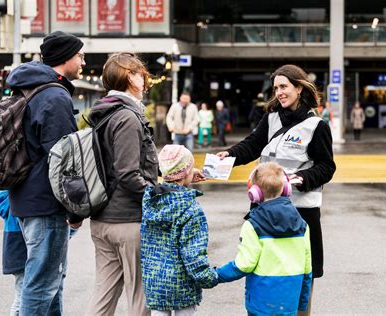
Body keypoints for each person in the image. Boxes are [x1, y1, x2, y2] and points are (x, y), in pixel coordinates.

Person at [216, 64, 336, 315]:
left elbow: (327, 167)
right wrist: (228, 156)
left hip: (300, 213)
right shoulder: (270, 118)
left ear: (299, 87)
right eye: (276, 88)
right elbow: (251, 146)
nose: (279, 92)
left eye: (284, 87)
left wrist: (300, 178)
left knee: (300, 278)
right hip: (265, 210)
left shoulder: (316, 126)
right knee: (264, 272)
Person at [6, 31, 85, 315]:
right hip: (46, 202)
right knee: (42, 284)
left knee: (50, 282)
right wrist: (76, 209)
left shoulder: (30, 88)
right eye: (80, 56)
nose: (83, 62)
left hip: (27, 198)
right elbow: (64, 160)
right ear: (66, 58)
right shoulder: (53, 95)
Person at [85, 52, 159, 316]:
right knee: (140, 294)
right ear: (130, 76)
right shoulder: (127, 117)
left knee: (103, 295)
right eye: (141, 74)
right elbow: (128, 175)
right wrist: (158, 193)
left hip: (102, 219)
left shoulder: (103, 113)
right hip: (127, 222)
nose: (145, 81)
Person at [216, 162, 312, 315]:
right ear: (286, 189)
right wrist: (302, 303)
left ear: (254, 192)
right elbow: (307, 269)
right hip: (289, 302)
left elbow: (244, 265)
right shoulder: (302, 225)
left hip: (261, 303)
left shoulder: (253, 225)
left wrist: (217, 275)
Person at [141, 144, 218, 315]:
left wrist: (187, 172)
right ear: (186, 173)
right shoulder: (191, 209)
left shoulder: (149, 202)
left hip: (155, 284)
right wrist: (210, 277)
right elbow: (193, 254)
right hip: (183, 286)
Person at [0, 191, 27, 316]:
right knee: (22, 296)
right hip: (19, 245)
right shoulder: (18, 200)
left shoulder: (6, 196)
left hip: (13, 245)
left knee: (21, 294)